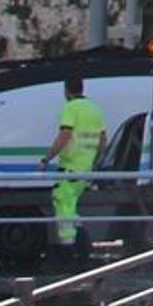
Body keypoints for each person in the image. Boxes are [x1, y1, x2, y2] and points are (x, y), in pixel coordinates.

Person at [42, 70, 107, 253]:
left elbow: (65, 135)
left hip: (70, 167)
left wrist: (46, 158)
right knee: (70, 205)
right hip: (85, 169)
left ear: (66, 91)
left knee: (63, 203)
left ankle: (69, 247)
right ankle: (82, 244)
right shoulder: (94, 109)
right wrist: (95, 161)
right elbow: (103, 140)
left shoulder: (70, 108)